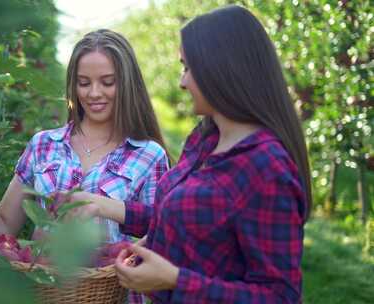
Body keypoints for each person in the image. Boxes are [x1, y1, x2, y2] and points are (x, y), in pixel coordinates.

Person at [67, 5, 311, 303]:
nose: (182, 82)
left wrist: (174, 280)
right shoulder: (205, 139)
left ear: (221, 69)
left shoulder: (265, 167)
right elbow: (179, 215)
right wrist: (104, 207)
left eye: (188, 68)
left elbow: (279, 296)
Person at [0, 29, 169, 303]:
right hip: (46, 294)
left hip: (111, 296)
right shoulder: (44, 145)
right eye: (84, 83)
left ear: (127, 83)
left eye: (108, 82)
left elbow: (159, 234)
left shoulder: (148, 155)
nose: (94, 93)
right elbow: (4, 222)